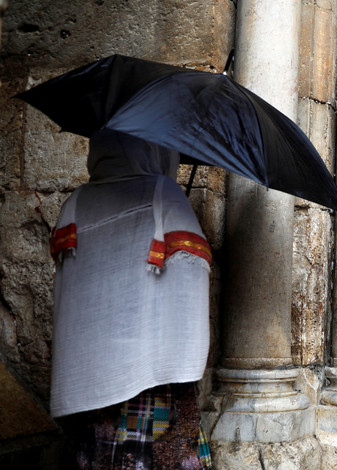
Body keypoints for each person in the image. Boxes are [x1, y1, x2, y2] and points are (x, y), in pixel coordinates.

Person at [50, 128, 212, 468]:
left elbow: (71, 291)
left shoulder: (75, 203)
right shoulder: (163, 192)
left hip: (89, 371)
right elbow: (189, 278)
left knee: (96, 454)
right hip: (147, 370)